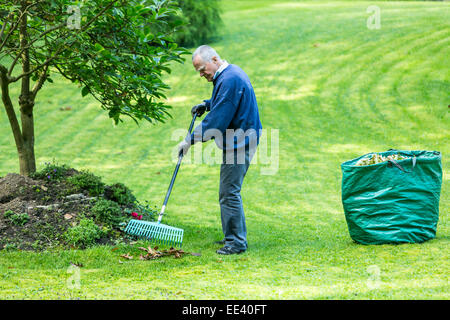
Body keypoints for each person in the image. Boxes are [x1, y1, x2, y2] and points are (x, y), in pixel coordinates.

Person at [178, 45, 262, 255]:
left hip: (241, 142)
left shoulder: (230, 79)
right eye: (198, 71)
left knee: (229, 192)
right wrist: (206, 104)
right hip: (241, 138)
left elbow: (217, 121)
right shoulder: (228, 74)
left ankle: (236, 242)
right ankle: (231, 237)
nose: (201, 74)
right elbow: (224, 101)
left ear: (214, 59)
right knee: (228, 191)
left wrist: (189, 140)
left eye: (201, 69)